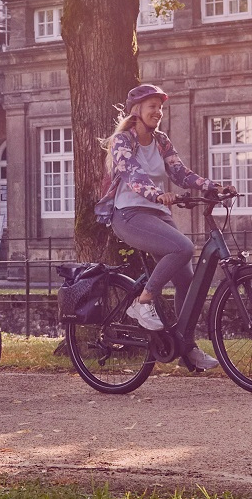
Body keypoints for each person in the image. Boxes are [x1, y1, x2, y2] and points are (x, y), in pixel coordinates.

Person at [94, 84, 231, 371]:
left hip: (157, 214)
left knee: (187, 283)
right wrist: (157, 194)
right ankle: (143, 302)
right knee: (183, 247)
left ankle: (186, 348)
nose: (158, 112)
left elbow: (180, 173)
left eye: (160, 107)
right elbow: (133, 174)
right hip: (129, 214)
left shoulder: (161, 141)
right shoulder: (122, 141)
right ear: (137, 111)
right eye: (152, 107)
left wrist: (212, 187)